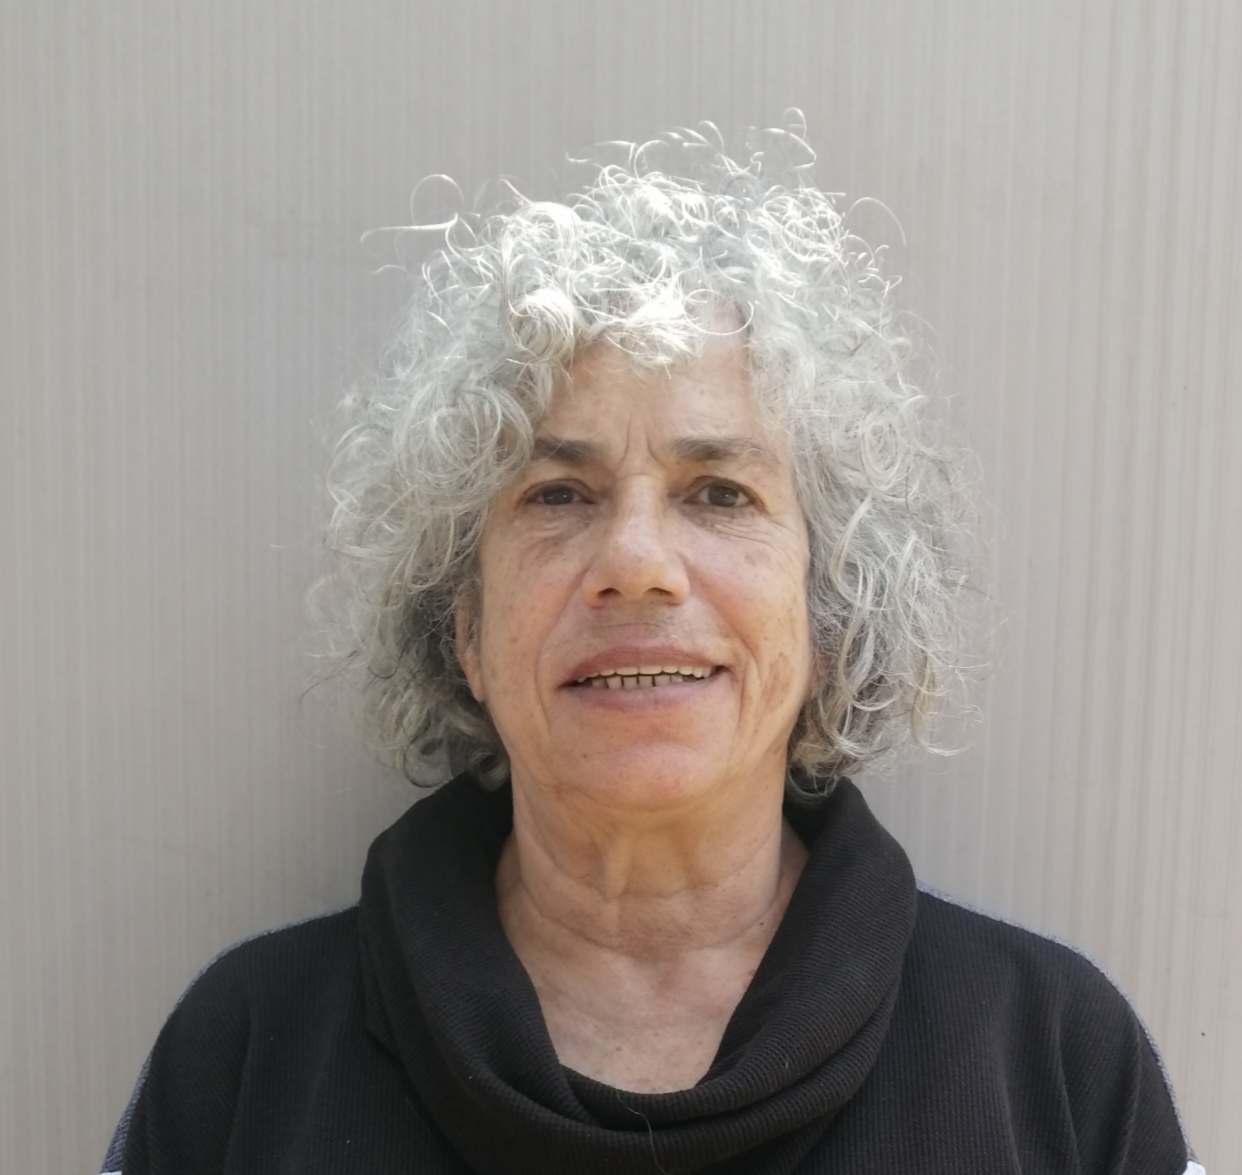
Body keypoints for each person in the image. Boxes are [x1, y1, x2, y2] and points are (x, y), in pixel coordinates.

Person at [102, 123, 1203, 1174]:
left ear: (830, 612)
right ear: (464, 627)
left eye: (718, 492)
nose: (636, 561)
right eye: (558, 493)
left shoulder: (1058, 1064)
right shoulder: (243, 1061)